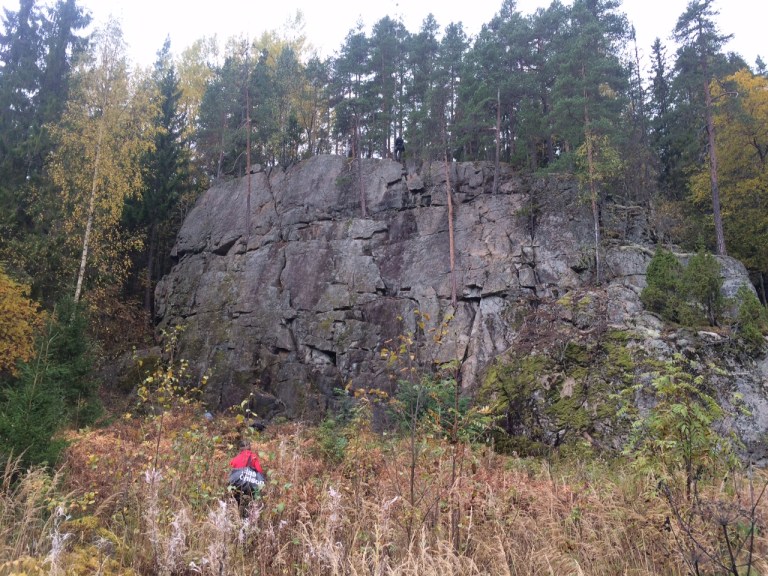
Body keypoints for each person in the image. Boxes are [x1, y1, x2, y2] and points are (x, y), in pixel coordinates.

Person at [228, 440, 265, 510]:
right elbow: (259, 471)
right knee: (254, 503)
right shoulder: (253, 457)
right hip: (250, 486)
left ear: (240, 449)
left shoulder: (235, 459)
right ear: (250, 447)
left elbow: (231, 473)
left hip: (238, 485)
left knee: (237, 503)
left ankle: (237, 511)